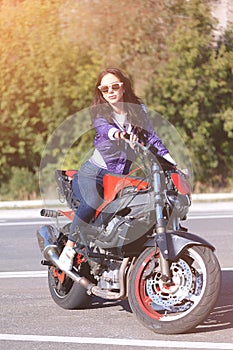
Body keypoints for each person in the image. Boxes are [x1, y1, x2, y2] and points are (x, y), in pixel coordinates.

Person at [58, 67, 176, 271]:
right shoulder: (100, 113)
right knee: (93, 202)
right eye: (105, 89)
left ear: (123, 87)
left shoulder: (138, 111)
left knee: (134, 206)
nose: (110, 91)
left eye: (115, 86)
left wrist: (173, 163)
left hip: (118, 177)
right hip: (94, 173)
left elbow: (153, 139)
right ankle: (68, 249)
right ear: (100, 92)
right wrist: (120, 135)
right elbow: (105, 129)